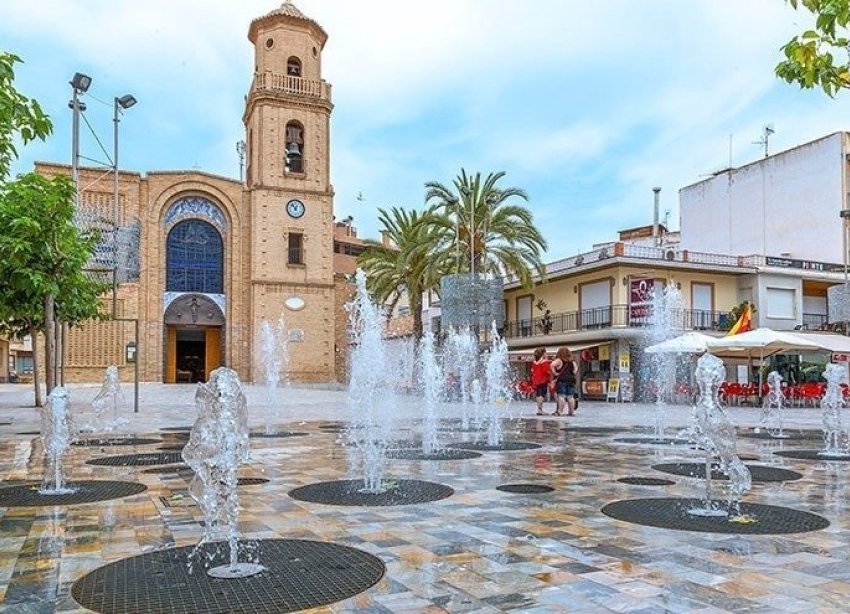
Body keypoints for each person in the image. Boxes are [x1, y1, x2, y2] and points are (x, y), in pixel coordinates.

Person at [551, 347, 578, 416]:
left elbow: (552, 365)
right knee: (570, 397)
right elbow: (575, 370)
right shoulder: (572, 362)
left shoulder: (559, 360)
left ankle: (559, 411)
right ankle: (571, 412)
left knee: (561, 396)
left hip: (562, 380)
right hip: (571, 380)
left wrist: (555, 373)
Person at [530, 347, 552, 416]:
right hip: (543, 380)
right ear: (543, 353)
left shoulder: (534, 362)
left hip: (536, 380)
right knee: (542, 395)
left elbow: (532, 370)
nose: (546, 354)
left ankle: (539, 409)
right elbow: (547, 371)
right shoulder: (544, 362)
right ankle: (540, 409)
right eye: (545, 352)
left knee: (538, 394)